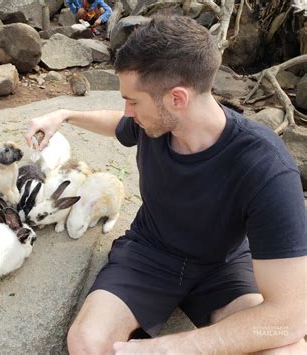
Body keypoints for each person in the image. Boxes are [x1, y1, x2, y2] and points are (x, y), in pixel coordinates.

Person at [25, 15, 307, 354]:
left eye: (133, 100)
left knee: (287, 349)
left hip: (222, 266)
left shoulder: (265, 167)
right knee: (86, 342)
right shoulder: (151, 123)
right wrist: (65, 115)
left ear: (177, 99)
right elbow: (118, 124)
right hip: (149, 253)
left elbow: (289, 317)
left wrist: (165, 349)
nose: (127, 111)